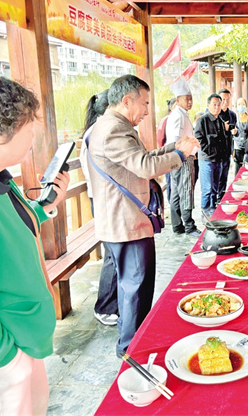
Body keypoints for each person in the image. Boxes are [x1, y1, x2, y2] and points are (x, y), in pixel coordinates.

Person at [0, 71, 70, 415]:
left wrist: (44, 207)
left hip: (20, 339)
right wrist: (6, 359)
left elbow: (10, 227)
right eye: (27, 124)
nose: (34, 131)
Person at [87, 74, 198, 354]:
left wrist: (174, 148)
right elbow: (146, 167)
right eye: (145, 103)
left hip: (125, 221)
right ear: (127, 101)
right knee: (135, 288)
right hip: (125, 222)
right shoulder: (114, 130)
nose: (148, 110)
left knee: (132, 286)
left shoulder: (116, 126)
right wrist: (181, 156)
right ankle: (131, 348)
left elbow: (143, 157)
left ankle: (133, 341)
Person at [80, 90, 119, 326]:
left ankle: (114, 303)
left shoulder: (96, 130)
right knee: (112, 254)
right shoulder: (98, 133)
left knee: (115, 253)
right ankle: (104, 306)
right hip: (103, 199)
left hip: (103, 198)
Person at [166, 79, 201, 237]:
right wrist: (185, 153)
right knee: (186, 191)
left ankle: (177, 225)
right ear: (178, 100)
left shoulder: (180, 114)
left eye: (191, 98)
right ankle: (189, 226)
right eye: (187, 99)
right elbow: (176, 140)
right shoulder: (178, 116)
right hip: (182, 157)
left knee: (176, 192)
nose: (190, 101)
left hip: (177, 157)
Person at [195, 94, 231, 214]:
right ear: (208, 105)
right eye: (214, 104)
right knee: (207, 188)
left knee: (216, 187)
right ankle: (204, 212)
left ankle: (213, 210)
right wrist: (211, 150)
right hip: (207, 159)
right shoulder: (202, 120)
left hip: (219, 160)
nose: (216, 107)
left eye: (219, 105)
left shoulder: (220, 120)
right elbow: (199, 139)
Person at [218, 88, 237, 188]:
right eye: (223, 99)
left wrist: (235, 132)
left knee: (224, 178)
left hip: (227, 150)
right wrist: (223, 128)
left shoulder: (232, 115)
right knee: (216, 178)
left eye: (228, 99)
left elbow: (235, 133)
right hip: (216, 152)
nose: (225, 102)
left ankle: (221, 195)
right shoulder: (215, 114)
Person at [233, 97, 248, 175]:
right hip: (238, 146)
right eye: (239, 104)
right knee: (238, 168)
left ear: (246, 106)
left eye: (243, 104)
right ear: (236, 107)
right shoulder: (234, 118)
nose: (241, 106)